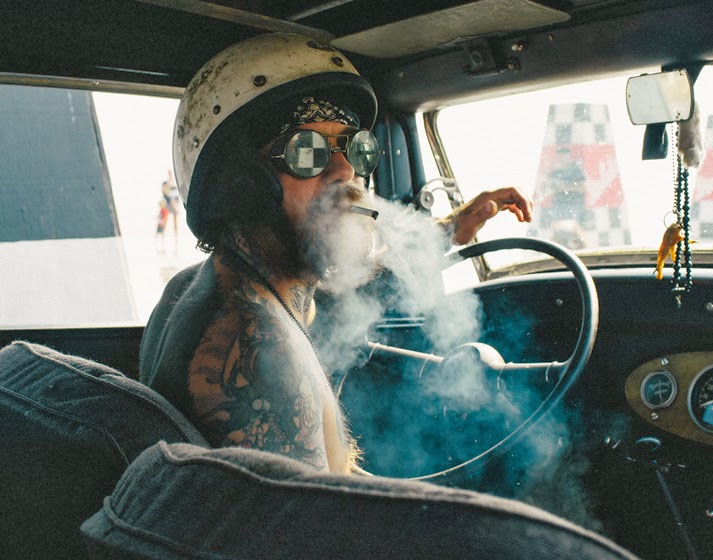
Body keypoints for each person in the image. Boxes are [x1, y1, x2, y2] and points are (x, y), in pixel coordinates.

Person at [139, 32, 532, 474]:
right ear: (241, 187)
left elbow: (362, 276)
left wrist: (451, 229)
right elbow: (312, 521)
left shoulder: (235, 286)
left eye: (356, 148)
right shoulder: (259, 351)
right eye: (307, 150)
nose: (346, 170)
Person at [155, 169, 180, 243]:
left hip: (175, 204)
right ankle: (163, 235)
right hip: (168, 203)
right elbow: (163, 191)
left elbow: (177, 193)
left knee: (175, 220)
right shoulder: (165, 183)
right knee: (165, 219)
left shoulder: (175, 182)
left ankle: (176, 236)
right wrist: (168, 183)